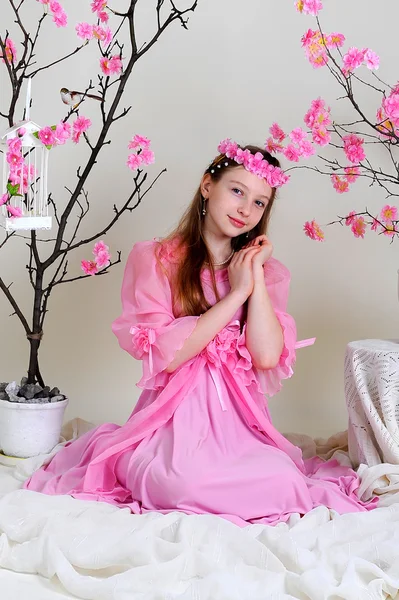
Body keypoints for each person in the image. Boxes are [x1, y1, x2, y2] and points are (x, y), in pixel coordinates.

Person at [23, 140, 378, 526]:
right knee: (178, 484)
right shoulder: (158, 259)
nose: (246, 209)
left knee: (284, 484)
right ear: (208, 186)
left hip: (239, 423)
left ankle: (245, 471)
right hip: (174, 419)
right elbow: (170, 354)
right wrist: (235, 295)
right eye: (237, 191)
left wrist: (253, 277)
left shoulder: (263, 272)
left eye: (259, 202)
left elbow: (266, 356)